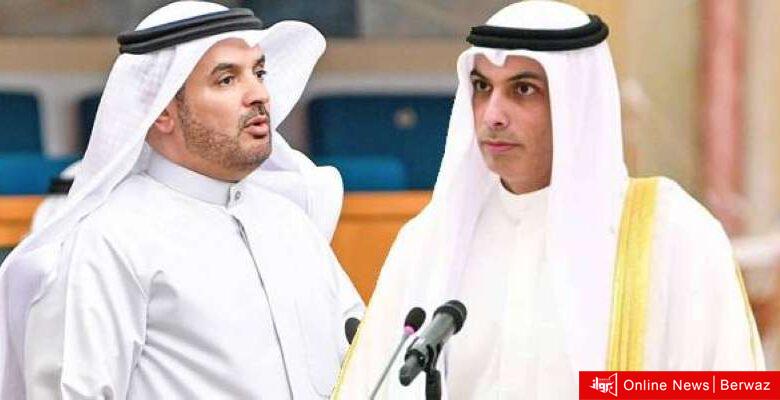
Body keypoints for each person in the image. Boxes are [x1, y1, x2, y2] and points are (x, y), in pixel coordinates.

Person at [334, 1, 763, 398]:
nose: (492, 115)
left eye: (523, 90)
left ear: (578, 102)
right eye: (482, 87)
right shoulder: (430, 242)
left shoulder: (671, 235)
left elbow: (726, 386)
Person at [0, 2, 363, 398]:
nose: (259, 94)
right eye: (227, 80)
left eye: (259, 73)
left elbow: (367, 363)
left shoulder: (289, 221)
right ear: (162, 113)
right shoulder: (111, 239)